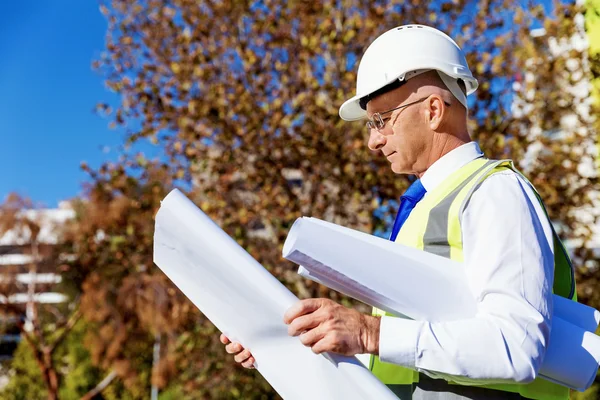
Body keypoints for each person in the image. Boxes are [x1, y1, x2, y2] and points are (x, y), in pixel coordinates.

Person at [220, 24, 576, 399]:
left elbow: (516, 346)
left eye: (380, 121)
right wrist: (280, 347)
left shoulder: (494, 192)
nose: (373, 141)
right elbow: (403, 362)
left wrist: (367, 333)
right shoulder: (423, 213)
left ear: (434, 111)